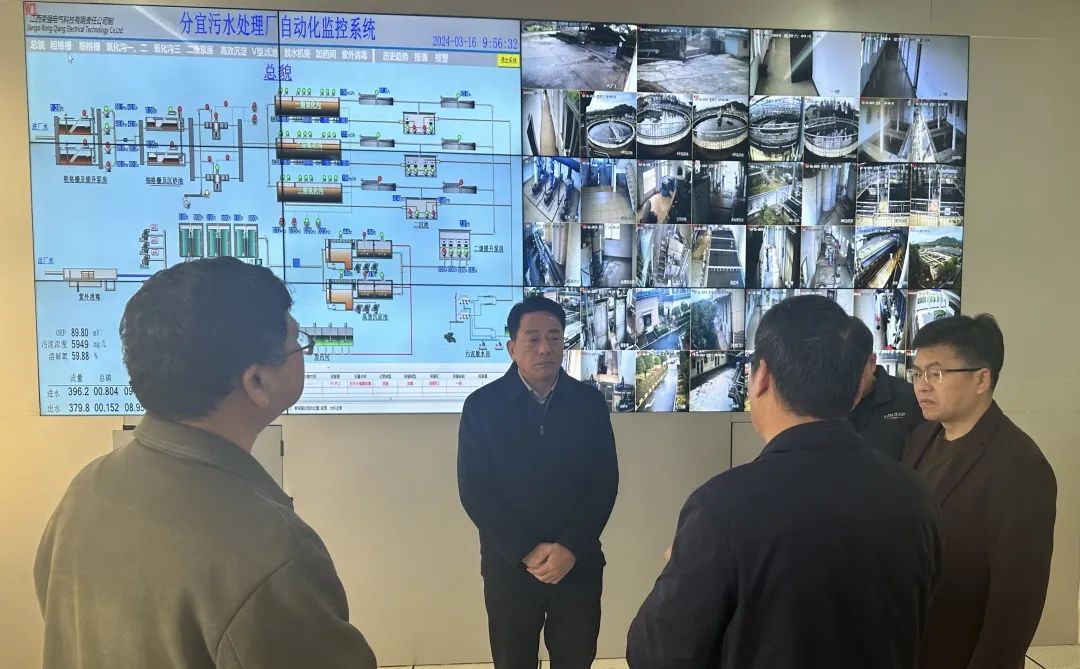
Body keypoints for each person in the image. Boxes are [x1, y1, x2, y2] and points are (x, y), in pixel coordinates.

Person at [34, 258, 376, 669]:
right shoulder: (272, 552)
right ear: (257, 382)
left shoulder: (87, 487)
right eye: (296, 343)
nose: (303, 353)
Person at [627, 295, 941, 669]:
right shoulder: (915, 496)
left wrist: (680, 567)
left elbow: (657, 656)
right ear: (856, 388)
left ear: (761, 377)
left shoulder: (721, 509)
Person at [458, 296, 618, 669]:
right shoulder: (482, 406)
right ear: (512, 347)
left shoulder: (589, 404)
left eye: (554, 337)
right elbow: (475, 491)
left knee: (576, 660)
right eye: (532, 339)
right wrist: (527, 551)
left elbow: (604, 483)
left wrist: (570, 548)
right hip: (510, 569)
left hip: (576, 565)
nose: (545, 348)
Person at [903, 314, 1056, 669]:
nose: (922, 386)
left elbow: (1016, 603)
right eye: (917, 373)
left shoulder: (1020, 465)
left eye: (936, 373)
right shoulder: (921, 438)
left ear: (981, 379)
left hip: (959, 652)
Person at [850, 317, 925, 460]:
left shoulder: (911, 399)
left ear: (872, 362)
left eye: (850, 369)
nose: (842, 379)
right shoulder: (821, 402)